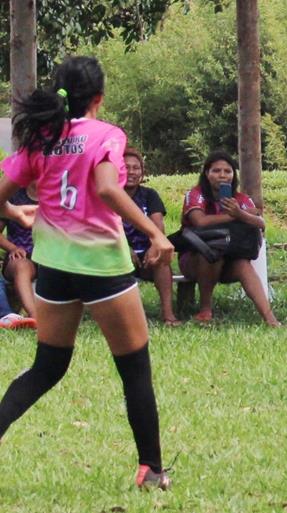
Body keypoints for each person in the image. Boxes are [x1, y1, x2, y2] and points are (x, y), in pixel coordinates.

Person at [0, 56, 173, 489]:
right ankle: (151, 470)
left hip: (54, 267)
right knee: (134, 368)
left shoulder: (41, 138)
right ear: (98, 97)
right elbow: (107, 187)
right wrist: (155, 232)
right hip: (101, 265)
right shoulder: (106, 135)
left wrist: (15, 211)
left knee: (48, 367)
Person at [179, 150, 280, 326]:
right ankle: (205, 310)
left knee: (243, 265)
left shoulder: (240, 199)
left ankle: (270, 318)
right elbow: (200, 222)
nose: (222, 176)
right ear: (206, 173)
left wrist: (240, 212)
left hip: (229, 260)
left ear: (234, 175)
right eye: (216, 171)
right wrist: (236, 215)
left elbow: (261, 224)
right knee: (212, 253)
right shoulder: (195, 195)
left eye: (228, 171)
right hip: (195, 258)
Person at [122, 146, 180, 326]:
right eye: (126, 167)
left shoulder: (149, 195)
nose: (131, 172)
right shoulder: (109, 195)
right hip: (118, 252)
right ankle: (127, 319)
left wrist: (154, 245)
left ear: (142, 172)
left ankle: (168, 315)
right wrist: (124, 249)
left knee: (162, 259)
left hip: (147, 253)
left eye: (136, 168)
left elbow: (158, 225)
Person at [0, 183, 39, 317]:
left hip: (50, 254)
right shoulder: (13, 195)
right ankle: (35, 316)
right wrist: (13, 248)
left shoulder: (58, 195)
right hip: (21, 254)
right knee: (21, 265)